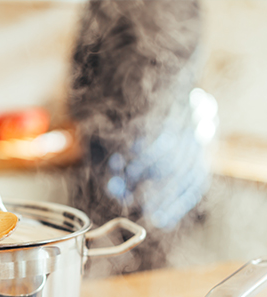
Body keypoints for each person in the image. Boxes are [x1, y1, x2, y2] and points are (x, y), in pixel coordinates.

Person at [66, 0, 211, 276]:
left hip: (140, 163)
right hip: (159, 160)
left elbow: (81, 74)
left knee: (110, 268)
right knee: (150, 272)